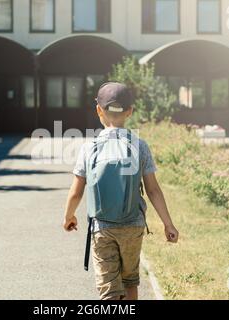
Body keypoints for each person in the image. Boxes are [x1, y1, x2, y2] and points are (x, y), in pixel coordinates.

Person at [63, 82, 179, 300]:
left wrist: (69, 216)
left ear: (99, 110)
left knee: (109, 290)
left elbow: (76, 192)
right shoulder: (139, 145)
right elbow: (153, 190)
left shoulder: (89, 147)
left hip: (102, 228)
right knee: (130, 282)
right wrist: (168, 223)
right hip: (132, 225)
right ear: (129, 112)